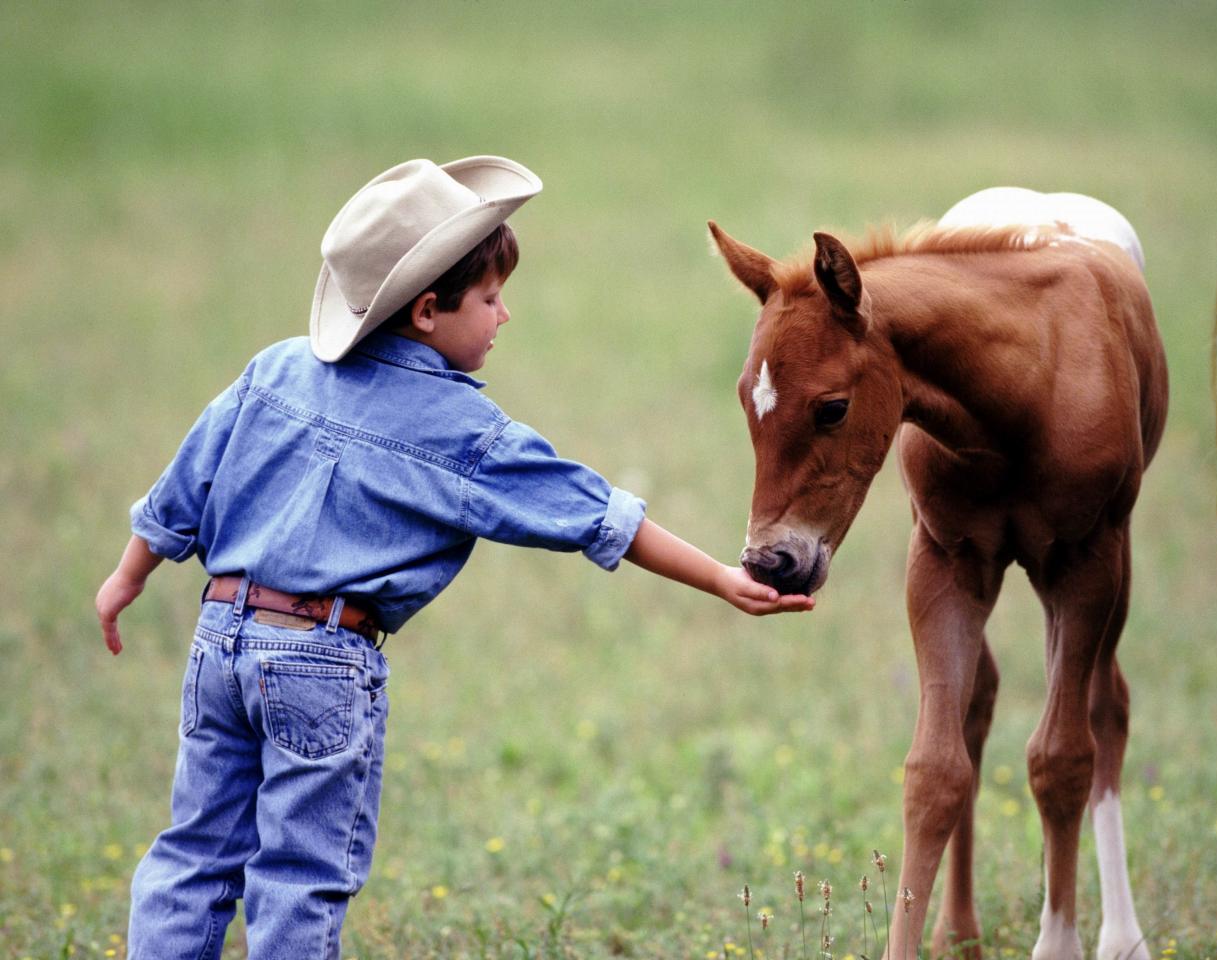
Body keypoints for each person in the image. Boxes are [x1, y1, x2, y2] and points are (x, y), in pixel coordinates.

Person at [95, 155, 814, 959]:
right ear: (429, 311)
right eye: (492, 299)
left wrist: (129, 575)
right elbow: (590, 512)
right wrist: (720, 576)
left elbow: (183, 483)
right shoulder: (458, 428)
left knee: (194, 854)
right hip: (323, 661)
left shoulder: (276, 368)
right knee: (298, 873)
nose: (504, 317)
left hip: (218, 642)